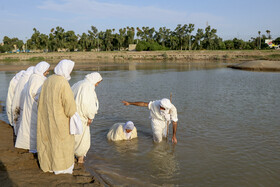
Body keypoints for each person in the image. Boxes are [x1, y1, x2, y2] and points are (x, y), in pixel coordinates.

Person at [37, 59, 77, 174]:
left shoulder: (48, 80)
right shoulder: (62, 82)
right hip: (60, 120)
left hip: (46, 117)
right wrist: (73, 114)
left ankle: (49, 165)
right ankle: (61, 168)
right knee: (61, 144)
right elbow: (69, 106)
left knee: (49, 142)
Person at [15, 61, 50, 153]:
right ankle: (33, 148)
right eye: (47, 71)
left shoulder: (34, 77)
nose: (48, 73)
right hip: (34, 107)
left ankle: (32, 147)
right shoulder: (36, 79)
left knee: (30, 127)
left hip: (31, 106)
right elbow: (36, 94)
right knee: (33, 128)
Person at [71, 72, 102, 164]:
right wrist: (90, 117)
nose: (97, 85)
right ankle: (80, 159)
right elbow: (87, 105)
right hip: (82, 116)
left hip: (73, 114)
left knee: (73, 136)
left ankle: (71, 155)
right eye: (97, 82)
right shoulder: (87, 87)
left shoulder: (78, 83)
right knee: (83, 139)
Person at [11, 66, 35, 135]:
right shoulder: (27, 79)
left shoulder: (23, 78)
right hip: (22, 104)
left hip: (17, 103)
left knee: (19, 119)